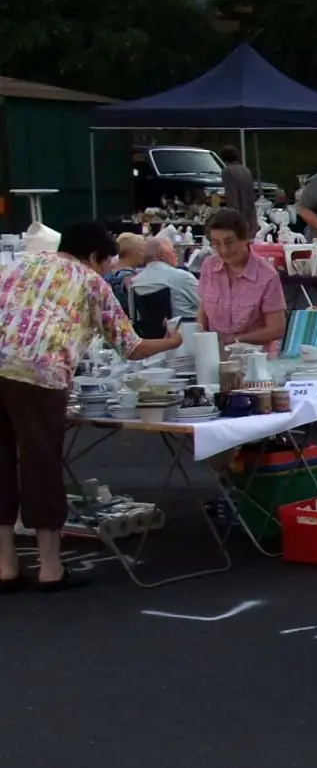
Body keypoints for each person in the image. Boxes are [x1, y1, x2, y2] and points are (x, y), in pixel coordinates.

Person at [0, 223, 183, 591]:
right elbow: (130, 347)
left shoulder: (18, 265)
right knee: (40, 465)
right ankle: (50, 567)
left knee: (2, 464)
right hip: (40, 374)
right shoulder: (90, 281)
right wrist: (172, 341)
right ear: (96, 257)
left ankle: (5, 565)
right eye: (106, 262)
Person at [197, 207, 287, 349]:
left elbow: (276, 329)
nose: (224, 250)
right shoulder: (209, 266)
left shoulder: (267, 276)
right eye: (216, 243)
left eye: (229, 242)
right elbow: (203, 310)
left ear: (245, 239)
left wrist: (235, 340)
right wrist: (200, 338)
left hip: (253, 355)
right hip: (213, 351)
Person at [129, 233, 202, 320]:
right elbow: (209, 304)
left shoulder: (134, 282)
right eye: (173, 251)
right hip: (186, 326)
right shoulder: (182, 277)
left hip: (148, 328)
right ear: (161, 255)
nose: (176, 255)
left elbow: (133, 317)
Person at [219, 145, 257, 234]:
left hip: (238, 215)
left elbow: (232, 195)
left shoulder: (227, 171)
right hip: (250, 213)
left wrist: (233, 217)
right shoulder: (246, 170)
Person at [106, 233, 148, 308]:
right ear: (130, 253)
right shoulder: (128, 277)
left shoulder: (107, 272)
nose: (144, 254)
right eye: (141, 250)